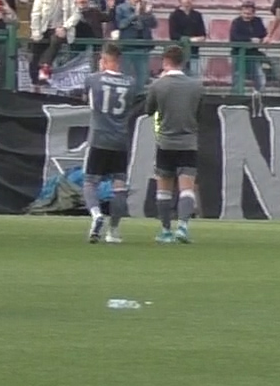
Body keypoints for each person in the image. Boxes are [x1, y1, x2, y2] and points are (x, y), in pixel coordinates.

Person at [144, 44, 203, 244]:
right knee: (187, 188)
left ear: (165, 62)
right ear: (183, 62)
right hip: (188, 143)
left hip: (166, 142)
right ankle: (183, 228)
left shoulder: (157, 85)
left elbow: (148, 110)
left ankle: (166, 230)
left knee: (164, 189)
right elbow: (199, 114)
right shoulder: (196, 86)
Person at [84, 45, 136, 245]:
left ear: (104, 61)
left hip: (98, 137)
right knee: (119, 187)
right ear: (119, 61)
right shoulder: (130, 83)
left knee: (90, 182)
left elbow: (86, 97)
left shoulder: (93, 79)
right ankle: (113, 230)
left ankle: (96, 215)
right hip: (120, 139)